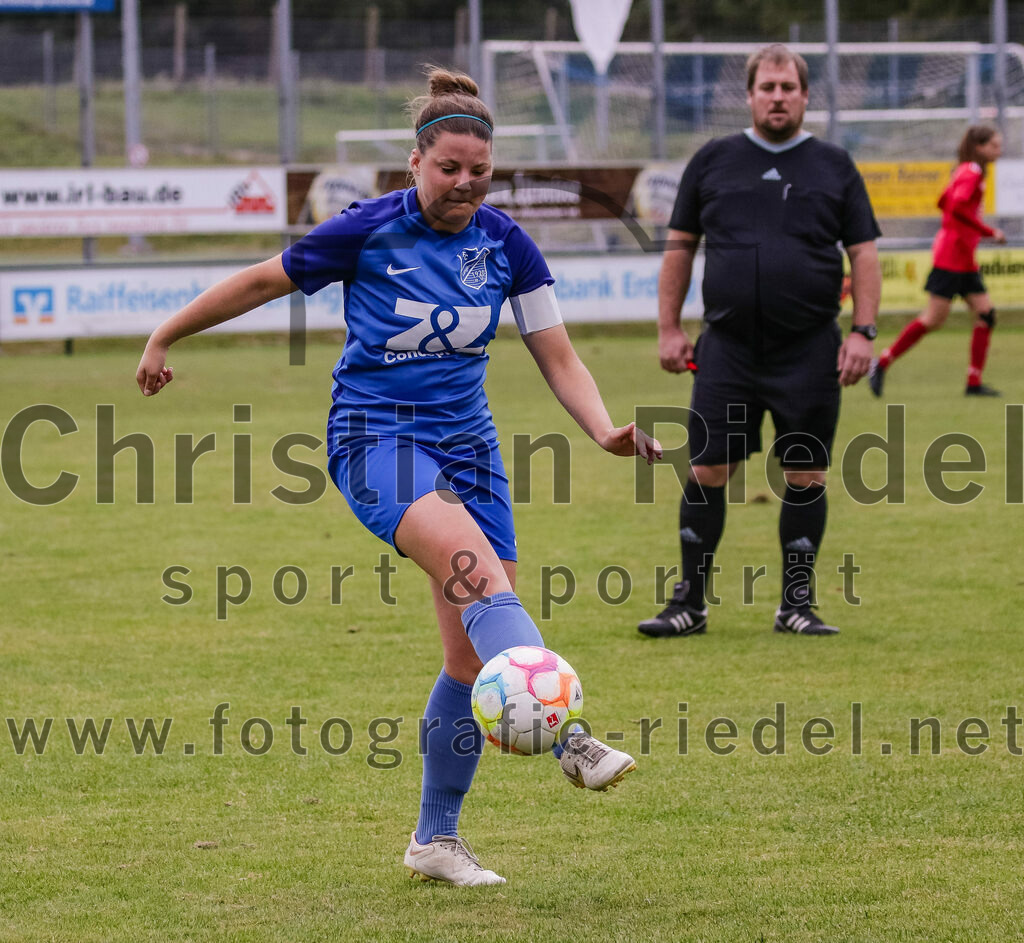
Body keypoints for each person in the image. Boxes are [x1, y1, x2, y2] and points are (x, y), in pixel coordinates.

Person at [137, 69, 660, 887]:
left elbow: (558, 356)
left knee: (471, 657)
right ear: (416, 162)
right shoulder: (367, 229)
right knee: (478, 575)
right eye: (449, 167)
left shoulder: (507, 245)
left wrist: (602, 430)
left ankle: (434, 841)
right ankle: (573, 739)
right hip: (376, 439)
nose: (464, 183)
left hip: (469, 448)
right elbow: (262, 280)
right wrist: (166, 333)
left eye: (479, 170)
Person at [638, 44, 881, 640]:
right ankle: (689, 605)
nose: (777, 97)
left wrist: (863, 331)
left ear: (805, 95)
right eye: (767, 87)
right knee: (706, 469)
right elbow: (679, 248)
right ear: (749, 95)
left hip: (810, 349)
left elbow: (864, 254)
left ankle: (796, 606)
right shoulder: (713, 160)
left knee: (806, 475)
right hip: (728, 348)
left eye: (788, 87)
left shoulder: (834, 165)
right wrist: (669, 327)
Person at [869, 125, 1006, 398]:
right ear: (979, 148)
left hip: (963, 258)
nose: (998, 151)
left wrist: (964, 232)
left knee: (985, 314)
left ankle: (974, 382)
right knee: (932, 320)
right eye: (994, 146)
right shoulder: (972, 172)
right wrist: (988, 232)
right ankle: (881, 363)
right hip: (951, 258)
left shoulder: (965, 170)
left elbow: (943, 201)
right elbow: (955, 206)